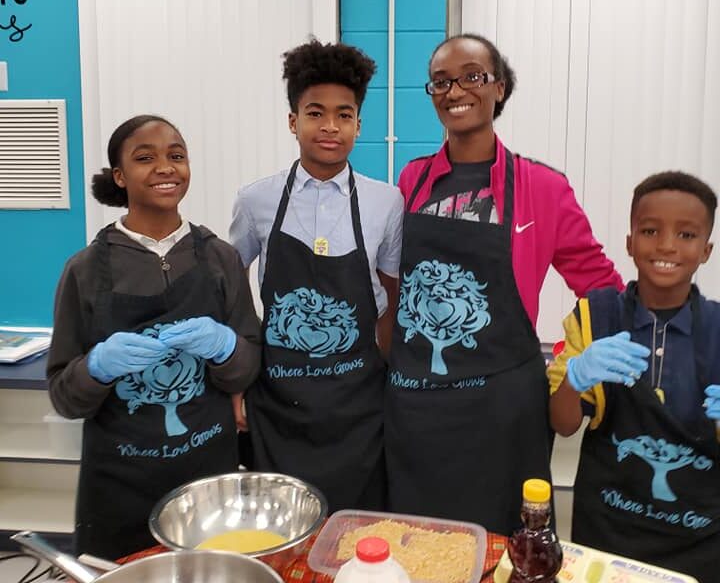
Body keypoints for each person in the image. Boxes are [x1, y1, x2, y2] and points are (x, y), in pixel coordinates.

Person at [384, 33, 623, 535]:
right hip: (418, 406)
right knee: (419, 543)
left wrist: (573, 362)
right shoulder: (411, 180)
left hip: (502, 414)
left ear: (500, 87)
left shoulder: (543, 188)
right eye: (441, 82)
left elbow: (600, 287)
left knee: (507, 547)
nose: (455, 91)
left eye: (472, 76)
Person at [46, 115, 261, 559]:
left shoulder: (219, 258)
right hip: (119, 485)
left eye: (176, 156)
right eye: (146, 158)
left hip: (207, 476)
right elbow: (65, 397)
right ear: (120, 176)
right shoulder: (84, 270)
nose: (166, 167)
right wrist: (97, 367)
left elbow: (249, 362)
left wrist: (224, 348)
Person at [229, 38, 403, 512]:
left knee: (356, 536)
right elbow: (231, 285)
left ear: (358, 124)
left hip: (359, 404)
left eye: (344, 115)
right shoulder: (255, 201)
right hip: (279, 401)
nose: (330, 126)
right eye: (315, 112)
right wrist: (238, 379)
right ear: (293, 121)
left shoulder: (385, 201)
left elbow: (390, 296)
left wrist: (387, 379)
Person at [548, 171, 720, 582]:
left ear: (707, 250)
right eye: (650, 230)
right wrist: (576, 377)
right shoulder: (595, 316)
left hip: (698, 540)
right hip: (608, 533)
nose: (666, 246)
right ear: (629, 242)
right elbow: (563, 424)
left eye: (686, 235)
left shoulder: (718, 330)